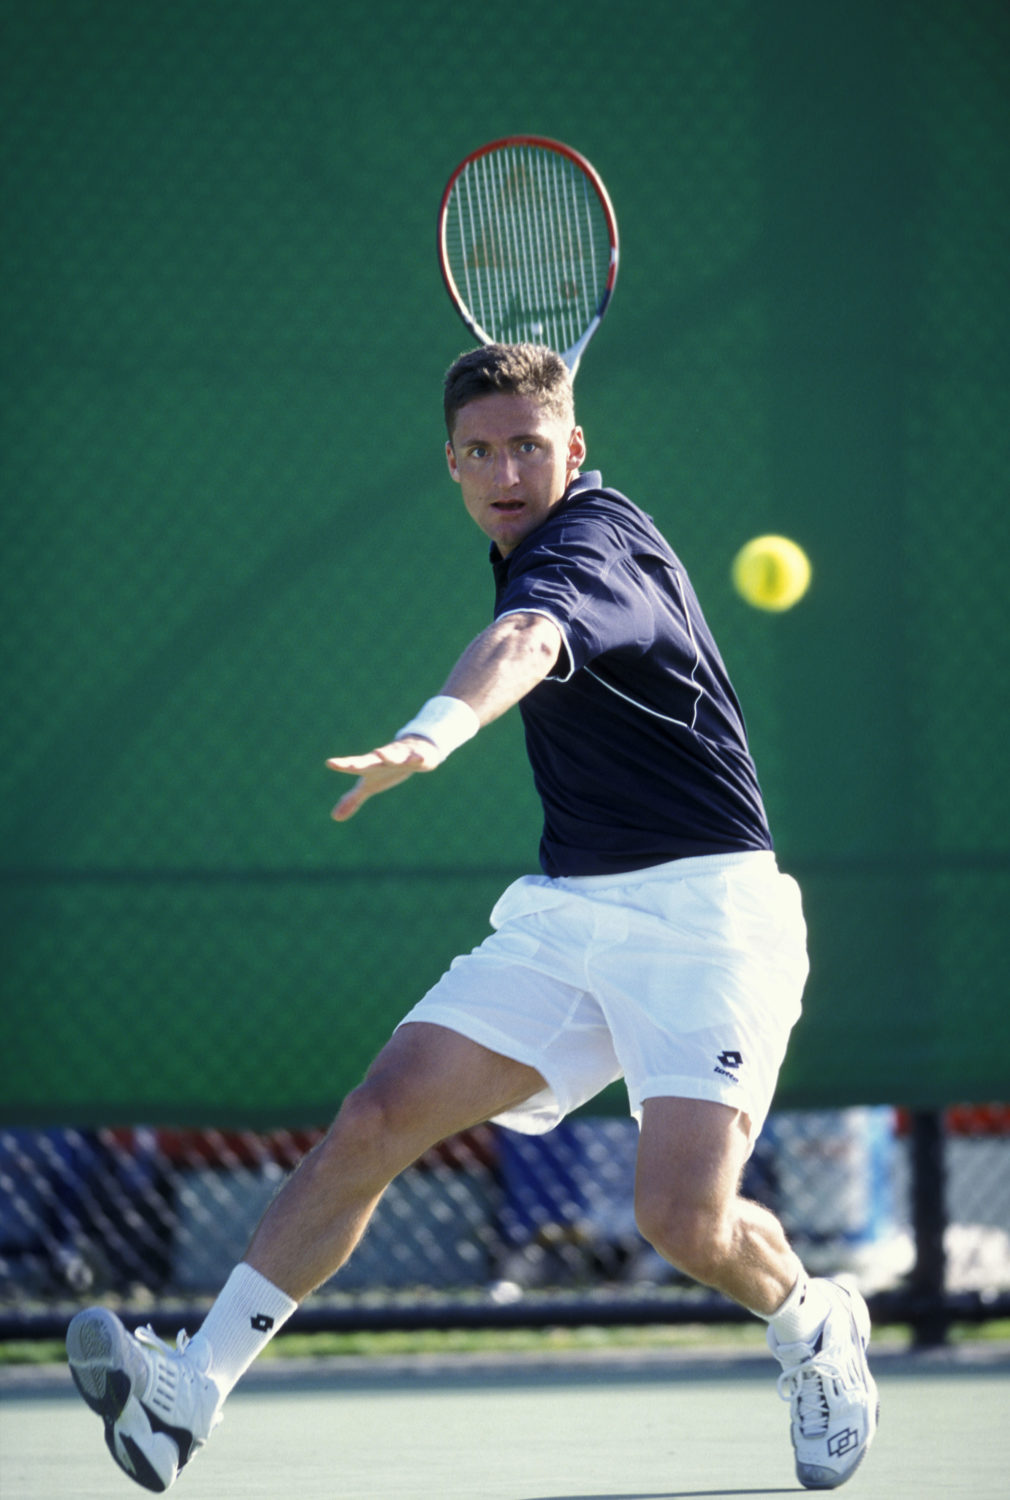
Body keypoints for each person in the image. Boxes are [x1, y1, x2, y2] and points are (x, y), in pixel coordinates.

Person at [66, 342, 877, 1492]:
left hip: (706, 916)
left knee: (679, 1219)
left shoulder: (596, 544)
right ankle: (186, 1391)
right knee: (377, 1116)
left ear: (574, 449)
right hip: (568, 913)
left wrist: (430, 733)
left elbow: (528, 642)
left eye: (529, 447)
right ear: (450, 462)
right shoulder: (520, 538)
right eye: (481, 451)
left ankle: (811, 1324)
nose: (507, 470)